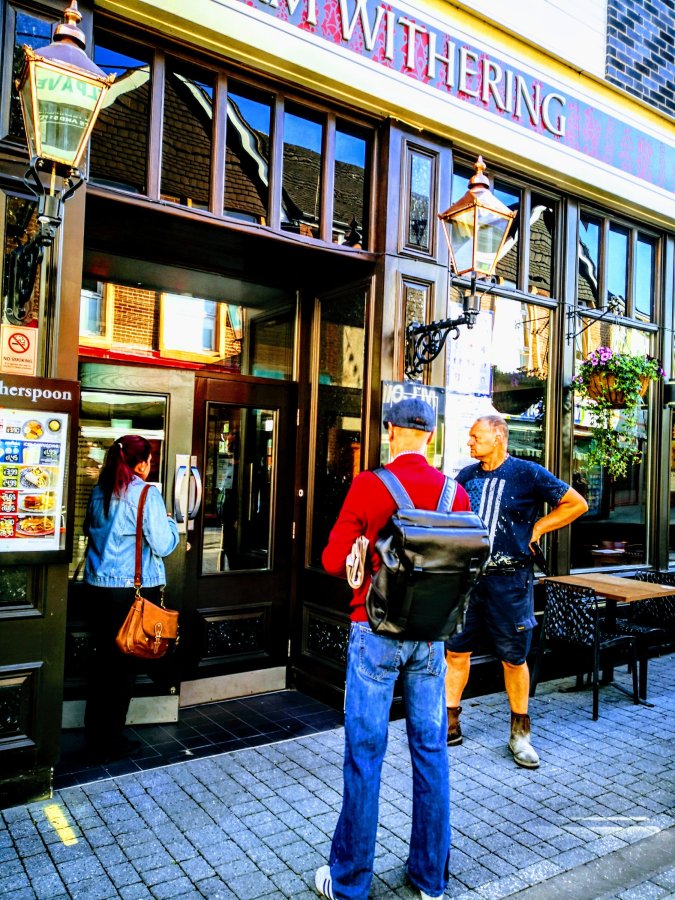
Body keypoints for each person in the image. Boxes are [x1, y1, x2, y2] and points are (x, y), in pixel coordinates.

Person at [316, 398, 471, 900]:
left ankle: (350, 883)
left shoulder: (368, 485)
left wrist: (365, 546)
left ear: (389, 432)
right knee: (431, 754)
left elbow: (331, 558)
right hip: (430, 638)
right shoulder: (455, 492)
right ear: (430, 434)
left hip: (374, 633)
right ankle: (430, 880)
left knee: (364, 754)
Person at [445, 415, 588, 768]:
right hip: (468, 580)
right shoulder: (466, 477)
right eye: (470, 437)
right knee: (456, 653)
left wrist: (537, 528)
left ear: (498, 437)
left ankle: (520, 733)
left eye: (476, 437)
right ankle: (449, 724)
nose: (470, 443)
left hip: (511, 582)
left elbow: (576, 504)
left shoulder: (527, 473)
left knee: (514, 658)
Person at [83, 435, 179, 761]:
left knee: (102, 667)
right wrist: (169, 521)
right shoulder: (146, 494)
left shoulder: (98, 492)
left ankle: (95, 737)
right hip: (131, 594)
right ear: (142, 463)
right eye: (149, 461)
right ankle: (109, 743)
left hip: (97, 590)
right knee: (123, 669)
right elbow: (164, 545)